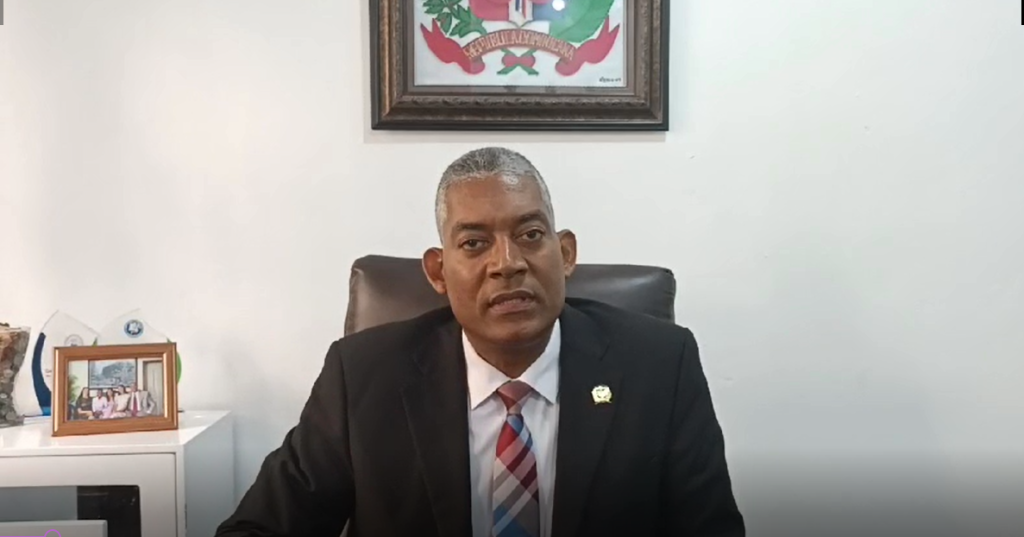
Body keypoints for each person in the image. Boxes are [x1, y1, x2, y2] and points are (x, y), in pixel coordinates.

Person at [215, 147, 745, 537]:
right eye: (474, 243)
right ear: (438, 272)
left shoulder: (660, 366)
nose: (507, 263)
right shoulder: (363, 377)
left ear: (565, 254)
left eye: (530, 235)